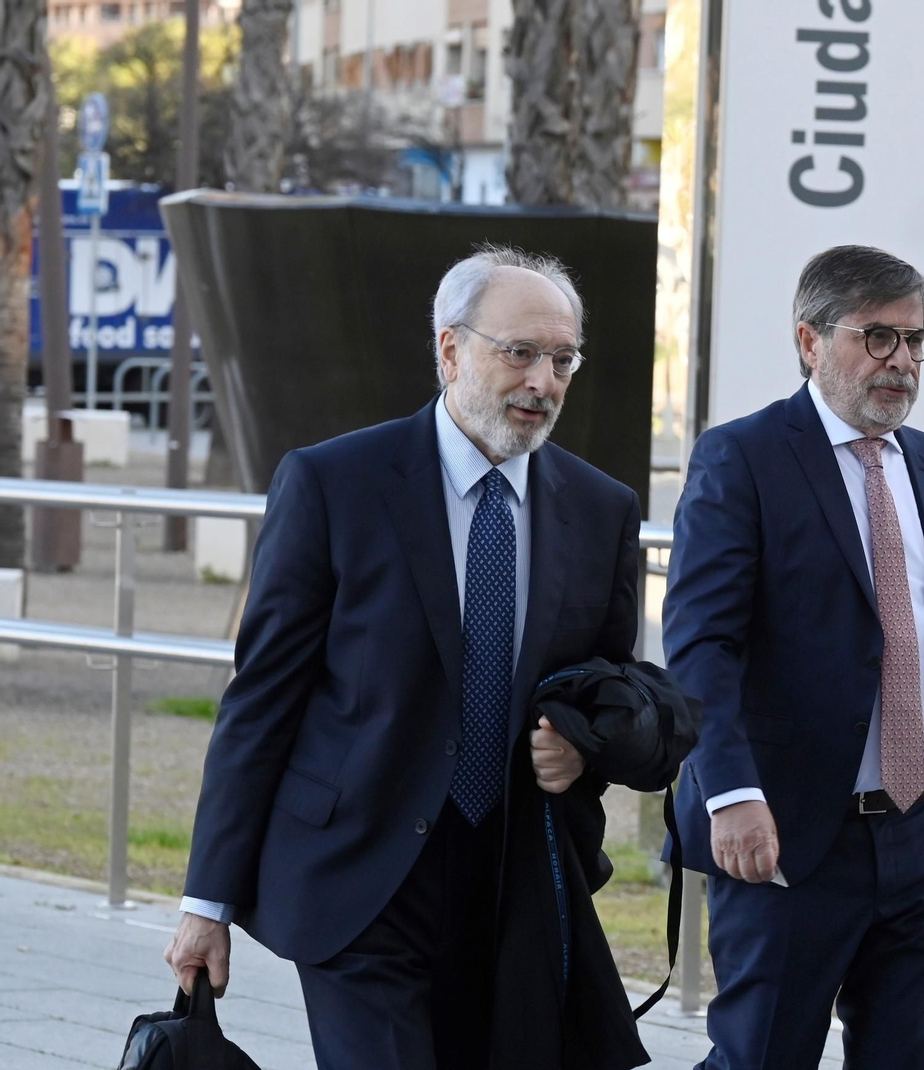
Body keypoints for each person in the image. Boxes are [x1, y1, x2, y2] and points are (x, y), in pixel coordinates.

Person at [164, 247, 654, 1070]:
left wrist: (581, 744)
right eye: (520, 353)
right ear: (450, 349)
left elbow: (607, 686)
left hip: (515, 883)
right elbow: (262, 700)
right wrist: (206, 901)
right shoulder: (334, 483)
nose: (544, 381)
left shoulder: (602, 512)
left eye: (563, 359)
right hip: (358, 879)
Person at [663, 244, 924, 1069]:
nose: (900, 362)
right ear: (810, 342)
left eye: (914, 340)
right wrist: (732, 795)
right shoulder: (741, 458)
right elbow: (702, 644)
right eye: (875, 338)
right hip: (785, 836)